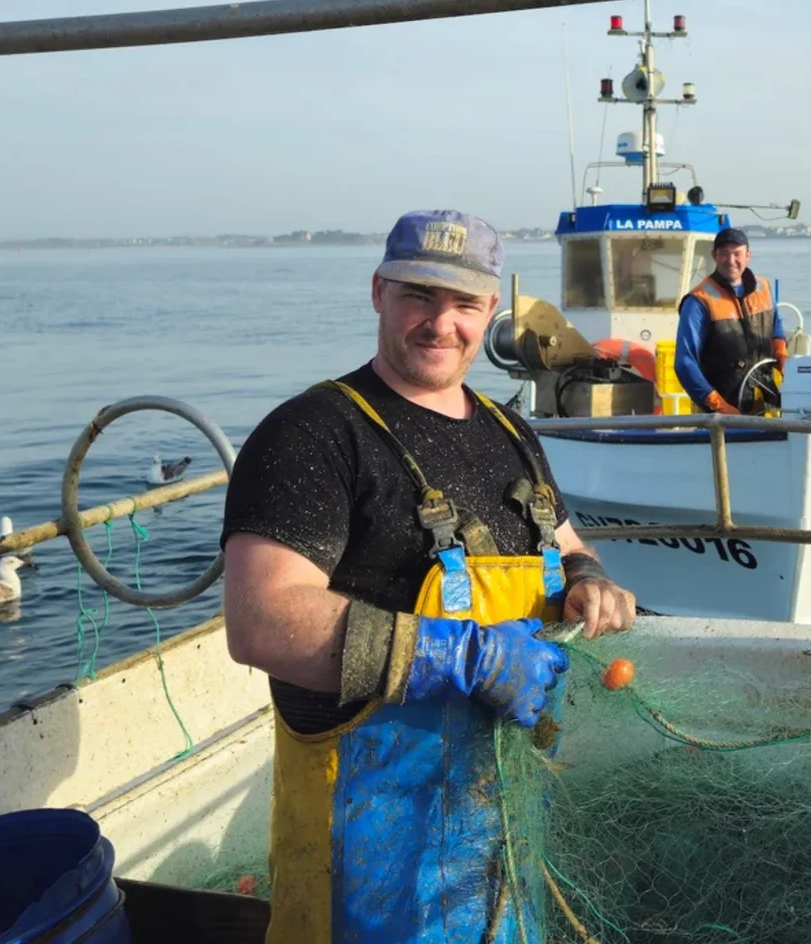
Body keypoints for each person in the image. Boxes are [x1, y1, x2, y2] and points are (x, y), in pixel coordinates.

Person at [221, 209, 635, 943]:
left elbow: (566, 539)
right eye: (419, 295)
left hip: (496, 819)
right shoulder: (312, 434)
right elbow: (261, 619)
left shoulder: (509, 432)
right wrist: (461, 656)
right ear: (378, 292)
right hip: (364, 843)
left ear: (492, 313)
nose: (441, 323)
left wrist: (589, 575)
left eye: (465, 304)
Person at [675, 226, 787, 414]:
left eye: (737, 254)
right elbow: (685, 362)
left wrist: (783, 358)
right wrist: (719, 406)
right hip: (720, 414)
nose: (731, 260)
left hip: (767, 402)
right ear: (714, 256)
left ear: (748, 255)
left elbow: (776, 327)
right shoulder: (698, 301)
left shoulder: (764, 288)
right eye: (724, 254)